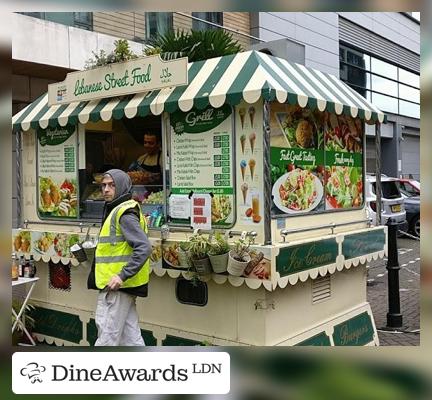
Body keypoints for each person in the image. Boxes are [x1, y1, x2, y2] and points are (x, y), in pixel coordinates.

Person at [87, 169, 151, 346]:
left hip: (116, 287)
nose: (106, 189)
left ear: (122, 187)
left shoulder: (124, 213)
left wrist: (121, 275)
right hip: (123, 287)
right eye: (103, 185)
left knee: (107, 338)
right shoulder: (122, 209)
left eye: (112, 185)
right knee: (131, 340)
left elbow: (144, 248)